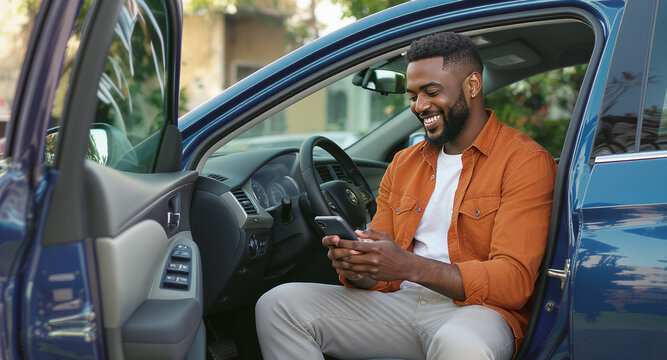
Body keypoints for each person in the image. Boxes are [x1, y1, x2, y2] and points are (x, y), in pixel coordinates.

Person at [255, 32, 557, 360]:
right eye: (412, 94)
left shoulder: (525, 161)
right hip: (399, 305)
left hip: (477, 313)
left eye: (431, 92)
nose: (419, 106)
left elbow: (513, 284)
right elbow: (383, 275)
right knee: (278, 305)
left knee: (461, 344)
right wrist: (360, 266)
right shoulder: (403, 163)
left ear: (472, 86)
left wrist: (408, 266)